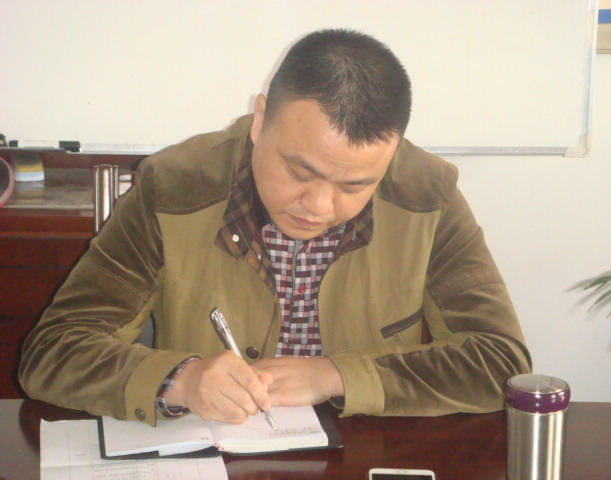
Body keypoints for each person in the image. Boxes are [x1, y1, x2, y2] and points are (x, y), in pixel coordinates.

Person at [19, 29, 531, 426]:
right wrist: (181, 380)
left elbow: (501, 362)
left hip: (360, 454)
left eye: (355, 185)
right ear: (260, 118)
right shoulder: (174, 187)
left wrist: (335, 375)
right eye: (299, 172)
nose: (320, 206)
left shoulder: (427, 195)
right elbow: (53, 351)